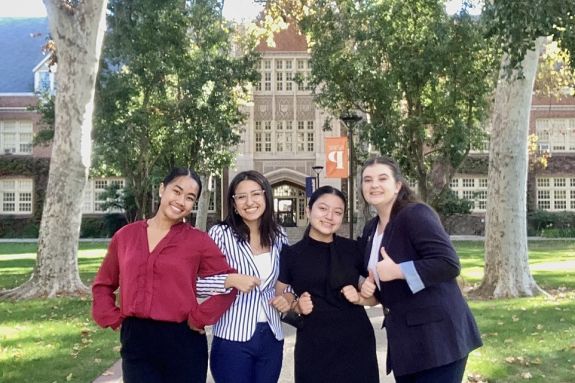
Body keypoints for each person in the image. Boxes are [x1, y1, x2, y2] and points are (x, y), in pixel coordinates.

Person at [92, 167, 241, 383]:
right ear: (162, 189)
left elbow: (232, 283)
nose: (181, 201)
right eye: (176, 191)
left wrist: (200, 318)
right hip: (137, 341)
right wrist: (112, 318)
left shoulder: (198, 241)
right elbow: (103, 284)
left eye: (190, 198)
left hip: (183, 342)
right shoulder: (125, 236)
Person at [354, 156, 482, 383]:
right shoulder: (371, 229)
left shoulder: (415, 214)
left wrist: (399, 271)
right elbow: (382, 284)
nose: (374, 185)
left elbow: (449, 263)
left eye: (382, 178)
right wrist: (368, 293)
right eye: (367, 180)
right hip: (405, 346)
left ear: (397, 185)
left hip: (438, 341)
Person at [275, 185, 379, 383]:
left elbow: (375, 299)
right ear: (308, 210)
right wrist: (296, 306)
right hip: (314, 347)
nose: (329, 216)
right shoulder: (291, 254)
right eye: (323, 209)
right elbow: (281, 303)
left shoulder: (353, 249)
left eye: (337, 212)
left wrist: (360, 298)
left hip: (356, 343)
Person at [196, 170, 289, 383]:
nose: (250, 202)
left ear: (266, 196)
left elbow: (289, 279)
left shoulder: (279, 235)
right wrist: (230, 280)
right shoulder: (220, 234)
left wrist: (288, 298)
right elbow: (196, 284)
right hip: (232, 337)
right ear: (234, 203)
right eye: (241, 196)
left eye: (256, 194)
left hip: (272, 336)